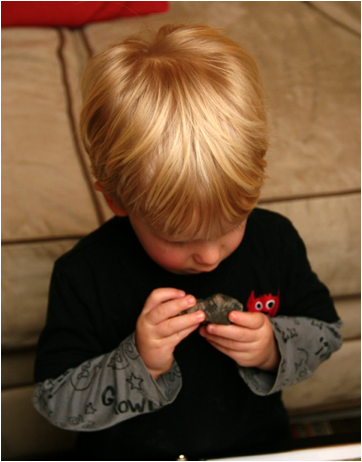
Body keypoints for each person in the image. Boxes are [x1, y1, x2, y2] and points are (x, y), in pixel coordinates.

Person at [33, 24, 342, 461]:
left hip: (257, 448)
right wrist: (140, 361)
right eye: (179, 239)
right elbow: (55, 401)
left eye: (233, 224)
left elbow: (326, 331)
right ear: (117, 200)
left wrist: (273, 347)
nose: (211, 257)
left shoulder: (275, 240)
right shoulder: (83, 274)